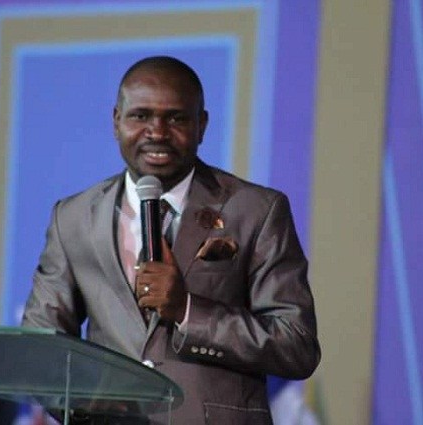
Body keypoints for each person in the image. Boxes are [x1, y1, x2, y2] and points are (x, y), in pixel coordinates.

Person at [22, 56, 320, 425]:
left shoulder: (256, 210)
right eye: (141, 116)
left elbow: (296, 344)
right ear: (117, 120)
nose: (157, 132)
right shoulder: (73, 217)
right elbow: (41, 346)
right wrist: (84, 406)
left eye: (176, 118)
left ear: (202, 125)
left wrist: (188, 311)